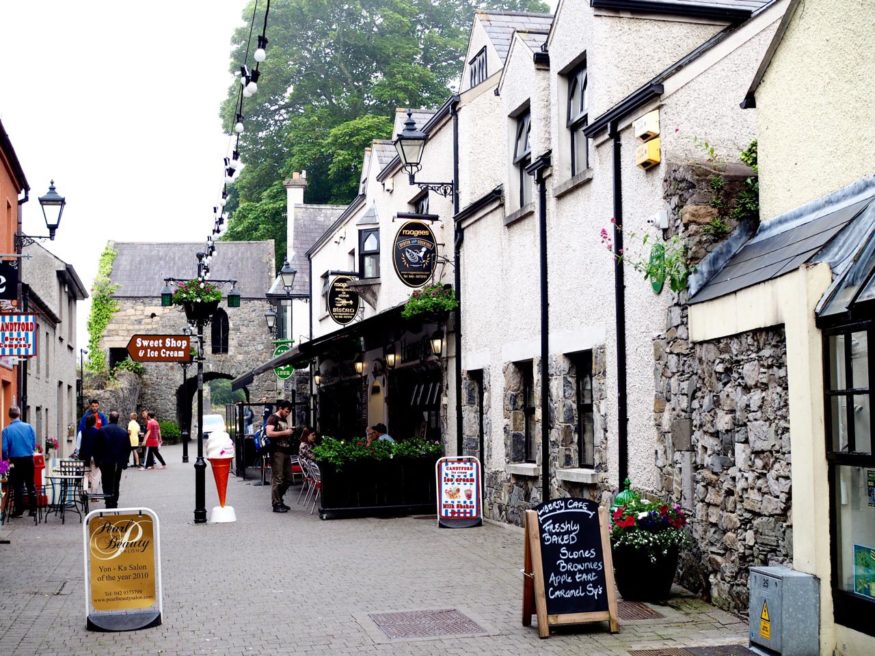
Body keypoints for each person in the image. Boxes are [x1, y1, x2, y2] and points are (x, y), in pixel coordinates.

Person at [2, 407, 37, 518]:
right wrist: (29, 450)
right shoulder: (29, 427)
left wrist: (6, 458)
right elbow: (33, 443)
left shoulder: (6, 430)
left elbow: (3, 448)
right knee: (30, 484)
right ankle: (33, 510)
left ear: (9, 415)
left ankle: (19, 510)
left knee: (17, 485)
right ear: (19, 414)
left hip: (15, 461)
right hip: (28, 459)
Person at [97, 411, 131, 509]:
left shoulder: (102, 430)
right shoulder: (123, 432)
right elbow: (127, 448)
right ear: (118, 419)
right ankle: (114, 501)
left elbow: (97, 447)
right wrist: (125, 461)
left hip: (105, 461)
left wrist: (98, 460)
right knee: (116, 482)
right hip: (118, 461)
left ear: (109, 419)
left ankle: (108, 501)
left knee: (106, 481)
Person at [266, 400, 295, 513]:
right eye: (286, 411)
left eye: (289, 412)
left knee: (288, 478)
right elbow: (269, 433)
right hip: (276, 451)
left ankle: (279, 499)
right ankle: (276, 503)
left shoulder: (283, 419)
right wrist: (285, 433)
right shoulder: (273, 418)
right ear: (281, 408)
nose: (287, 414)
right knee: (278, 478)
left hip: (285, 450)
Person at [79, 414, 102, 494]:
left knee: (85, 475)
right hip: (95, 456)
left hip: (85, 456)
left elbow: (79, 445)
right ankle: (94, 494)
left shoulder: (82, 432)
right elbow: (100, 445)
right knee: (95, 475)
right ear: (94, 422)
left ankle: (84, 493)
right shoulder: (98, 432)